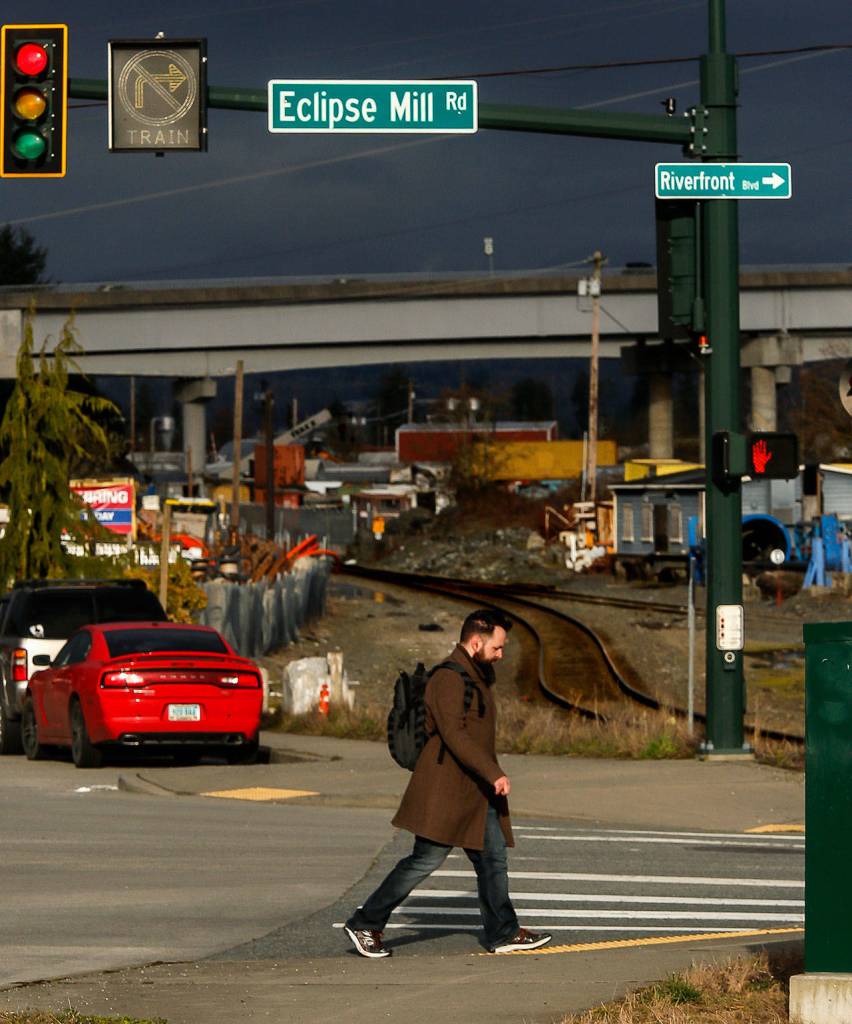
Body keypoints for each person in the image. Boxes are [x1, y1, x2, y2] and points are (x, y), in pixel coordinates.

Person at [344, 609, 551, 958]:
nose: (501, 655)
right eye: (497, 648)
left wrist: (487, 776)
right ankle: (365, 922)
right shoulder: (450, 679)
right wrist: (493, 772)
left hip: (473, 793)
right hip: (446, 791)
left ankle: (503, 932)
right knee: (424, 860)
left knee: (493, 858)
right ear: (475, 642)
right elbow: (455, 735)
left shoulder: (476, 674)